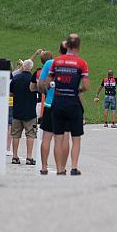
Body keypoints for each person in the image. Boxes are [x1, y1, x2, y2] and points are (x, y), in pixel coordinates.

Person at [49, 34, 89, 176]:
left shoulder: (57, 61)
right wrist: (78, 89)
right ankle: (73, 167)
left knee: (58, 137)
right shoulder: (81, 63)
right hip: (73, 101)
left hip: (58, 100)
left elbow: (48, 81)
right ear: (78, 46)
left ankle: (60, 169)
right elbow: (86, 85)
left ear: (67, 46)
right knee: (76, 137)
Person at [37, 42, 67, 175]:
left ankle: (44, 167)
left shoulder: (50, 63)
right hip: (65, 104)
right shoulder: (74, 64)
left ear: (58, 51)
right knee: (62, 138)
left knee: (46, 137)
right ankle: (61, 168)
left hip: (50, 104)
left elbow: (40, 84)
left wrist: (46, 91)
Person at [10, 59, 38, 165]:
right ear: (31, 68)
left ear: (23, 67)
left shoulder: (16, 78)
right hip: (30, 111)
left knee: (16, 135)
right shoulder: (32, 79)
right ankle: (29, 157)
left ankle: (15, 156)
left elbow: (11, 93)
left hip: (17, 110)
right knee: (30, 134)